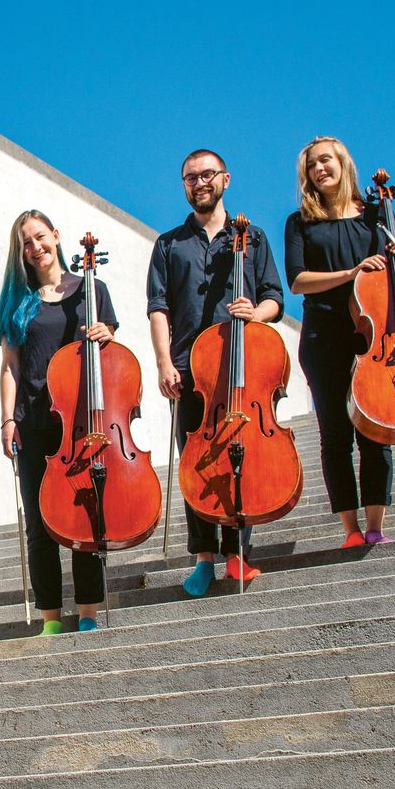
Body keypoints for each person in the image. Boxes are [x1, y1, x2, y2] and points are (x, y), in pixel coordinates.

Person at [146, 150, 285, 597]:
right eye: (190, 178)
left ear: (225, 178)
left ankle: (238, 556)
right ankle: (203, 558)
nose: (199, 183)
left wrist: (256, 314)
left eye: (207, 175)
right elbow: (158, 308)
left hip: (241, 368)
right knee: (197, 461)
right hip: (190, 369)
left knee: (242, 455)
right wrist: (165, 362)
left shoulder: (253, 237)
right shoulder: (169, 244)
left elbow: (274, 298)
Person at [0, 210, 118, 635]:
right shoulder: (17, 301)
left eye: (40, 237)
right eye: (26, 243)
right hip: (33, 422)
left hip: (82, 424)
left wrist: (106, 335)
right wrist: (7, 419)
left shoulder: (91, 288)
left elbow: (109, 355)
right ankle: (50, 617)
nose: (35, 247)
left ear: (56, 236)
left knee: (84, 516)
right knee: (39, 524)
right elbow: (10, 366)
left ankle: (87, 612)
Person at [285, 136, 395, 547]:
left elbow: (393, 272)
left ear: (343, 164)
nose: (319, 169)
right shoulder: (300, 222)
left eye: (326, 161)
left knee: (375, 428)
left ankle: (375, 527)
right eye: (312, 165)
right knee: (335, 434)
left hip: (371, 334)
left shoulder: (374, 216)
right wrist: (352, 273)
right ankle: (350, 531)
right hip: (322, 333)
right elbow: (297, 281)